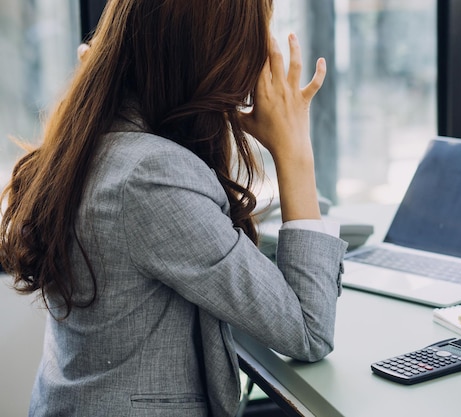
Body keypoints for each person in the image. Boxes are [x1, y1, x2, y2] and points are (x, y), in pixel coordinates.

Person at [0, 1, 347, 416]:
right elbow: (308, 330)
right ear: (213, 53)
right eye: (255, 36)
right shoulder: (151, 176)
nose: (261, 56)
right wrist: (294, 152)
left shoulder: (100, 138)